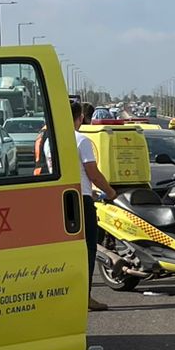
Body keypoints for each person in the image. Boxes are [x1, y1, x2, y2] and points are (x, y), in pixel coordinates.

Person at [54, 100, 115, 312]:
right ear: (80, 117)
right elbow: (93, 174)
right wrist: (110, 192)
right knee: (87, 250)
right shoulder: (81, 140)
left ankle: (64, 295)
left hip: (57, 201)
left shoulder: (50, 140)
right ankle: (85, 297)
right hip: (81, 200)